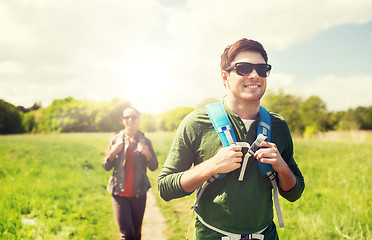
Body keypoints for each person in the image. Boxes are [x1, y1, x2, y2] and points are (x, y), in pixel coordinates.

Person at [158, 38, 305, 240]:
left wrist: (281, 166)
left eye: (262, 69)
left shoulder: (278, 126)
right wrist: (212, 165)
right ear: (225, 77)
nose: (255, 75)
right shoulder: (196, 123)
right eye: (244, 68)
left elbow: (294, 193)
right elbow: (166, 187)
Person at [102, 107, 158, 240]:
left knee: (136, 232)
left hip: (139, 193)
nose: (130, 120)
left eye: (133, 117)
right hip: (119, 193)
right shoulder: (115, 140)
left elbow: (154, 166)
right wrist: (112, 153)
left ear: (138, 119)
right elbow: (106, 166)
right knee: (126, 235)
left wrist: (146, 152)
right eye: (127, 117)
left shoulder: (146, 141)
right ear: (123, 120)